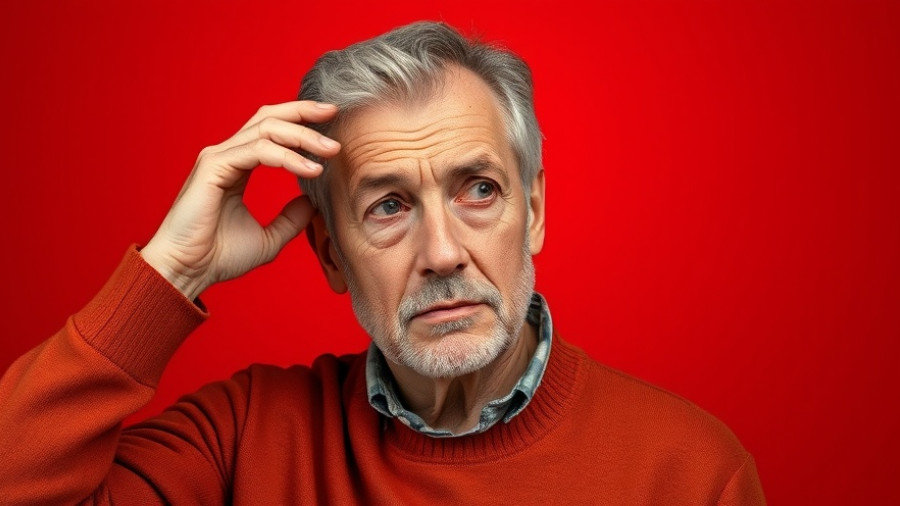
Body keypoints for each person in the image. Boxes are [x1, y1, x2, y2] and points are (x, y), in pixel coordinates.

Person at [0, 21, 766, 505]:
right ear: (332, 254)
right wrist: (171, 271)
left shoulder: (690, 471)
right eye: (389, 206)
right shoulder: (243, 440)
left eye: (479, 191)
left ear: (532, 211)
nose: (441, 254)